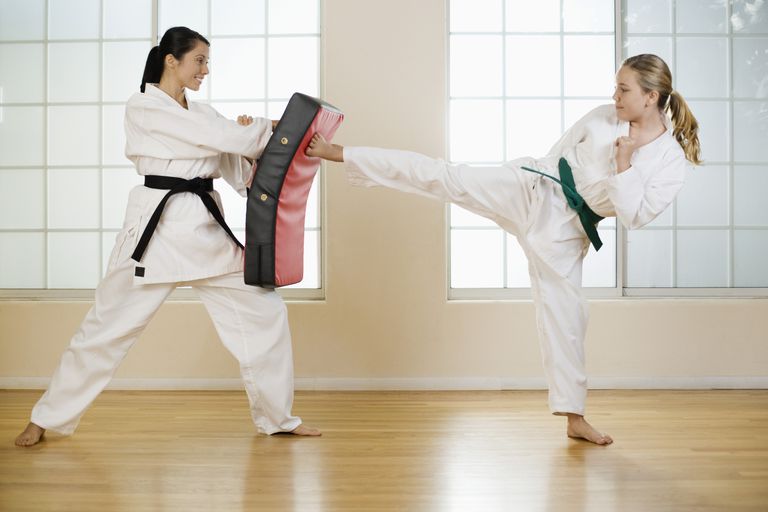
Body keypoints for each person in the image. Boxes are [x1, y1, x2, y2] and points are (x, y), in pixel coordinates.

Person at [305, 54, 700, 445]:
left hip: (566, 234)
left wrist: (625, 164)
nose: (614, 95)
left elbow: (635, 216)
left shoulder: (670, 160)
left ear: (650, 97)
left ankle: (575, 418)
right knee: (447, 176)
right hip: (532, 189)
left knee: (568, 320)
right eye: (616, 86)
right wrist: (538, 183)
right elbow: (558, 152)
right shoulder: (602, 116)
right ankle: (341, 153)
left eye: (623, 89)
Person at [15, 26, 320, 447]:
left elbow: (234, 158)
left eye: (208, 62)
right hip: (154, 231)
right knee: (105, 328)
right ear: (171, 61)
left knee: (265, 314)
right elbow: (223, 139)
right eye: (200, 60)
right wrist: (266, 128)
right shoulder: (144, 106)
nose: (206, 70)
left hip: (206, 231)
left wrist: (252, 142)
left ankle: (278, 418)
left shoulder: (204, 112)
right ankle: (45, 418)